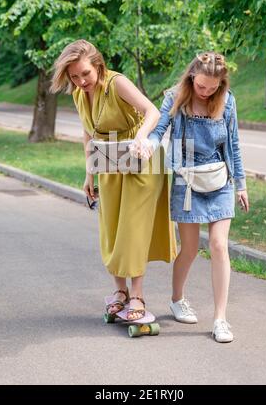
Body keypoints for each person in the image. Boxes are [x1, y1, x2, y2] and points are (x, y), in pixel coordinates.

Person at [50, 39, 176, 321]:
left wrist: (142, 137)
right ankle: (120, 293)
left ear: (98, 65)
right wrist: (88, 173)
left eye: (85, 73)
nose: (81, 80)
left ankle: (138, 295)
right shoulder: (79, 94)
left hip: (139, 161)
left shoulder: (117, 83)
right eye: (74, 76)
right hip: (108, 163)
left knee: (132, 229)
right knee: (111, 229)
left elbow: (153, 112)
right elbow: (88, 133)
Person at [145, 51, 249, 342]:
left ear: (221, 84)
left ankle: (220, 319)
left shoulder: (227, 101)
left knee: (218, 245)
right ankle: (177, 298)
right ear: (192, 77)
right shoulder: (174, 97)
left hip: (219, 181)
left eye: (211, 88)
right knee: (189, 250)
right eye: (201, 86)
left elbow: (234, 144)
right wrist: (146, 146)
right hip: (186, 182)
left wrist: (240, 184)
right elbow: (158, 131)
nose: (205, 92)